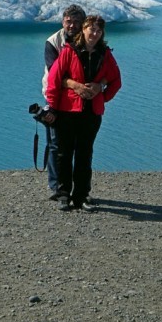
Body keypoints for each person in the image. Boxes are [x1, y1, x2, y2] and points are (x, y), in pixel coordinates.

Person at [45, 15, 121, 212]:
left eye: (98, 31)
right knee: (64, 153)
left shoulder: (105, 54)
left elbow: (116, 80)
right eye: (91, 29)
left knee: (84, 155)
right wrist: (53, 107)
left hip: (91, 112)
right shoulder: (69, 52)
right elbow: (54, 80)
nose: (94, 34)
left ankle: (81, 196)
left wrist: (101, 94)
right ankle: (63, 194)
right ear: (83, 30)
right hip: (67, 111)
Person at [41, 5, 86, 200]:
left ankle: (78, 190)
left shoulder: (89, 41)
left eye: (76, 22)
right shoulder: (53, 42)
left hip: (81, 101)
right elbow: (55, 74)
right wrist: (77, 85)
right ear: (63, 21)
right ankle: (56, 187)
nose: (72, 25)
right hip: (56, 98)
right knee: (56, 144)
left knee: (80, 146)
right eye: (69, 21)